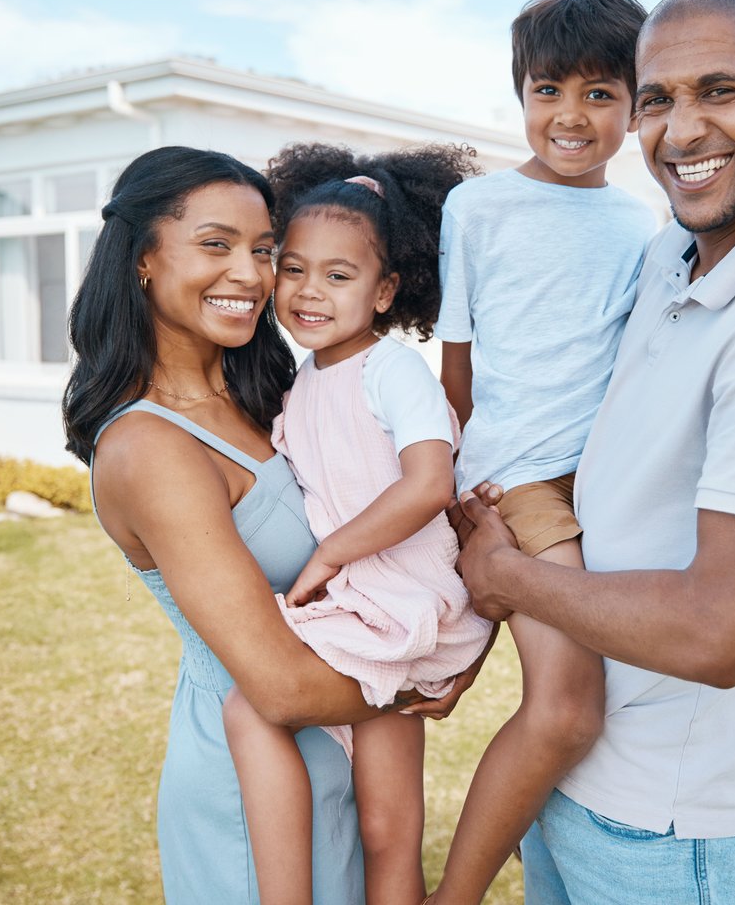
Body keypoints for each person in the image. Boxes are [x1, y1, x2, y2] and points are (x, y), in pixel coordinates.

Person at [453, 0, 735, 904]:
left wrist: (506, 579)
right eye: (657, 97)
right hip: (570, 784)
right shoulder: (668, 249)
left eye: (719, 90)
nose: (680, 128)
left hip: (664, 822)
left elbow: (719, 630)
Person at [63, 146, 477, 905]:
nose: (251, 276)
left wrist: (456, 639)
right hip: (251, 794)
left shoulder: (278, 393)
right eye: (216, 245)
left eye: (263, 251)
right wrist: (427, 670)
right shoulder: (151, 447)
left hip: (340, 753)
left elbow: (423, 507)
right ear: (143, 259)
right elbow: (280, 691)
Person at [426, 0, 656, 904]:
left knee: (602, 696)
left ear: (636, 108)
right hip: (519, 480)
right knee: (567, 712)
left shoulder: (643, 226)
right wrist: (455, 494)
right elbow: (457, 367)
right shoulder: (477, 210)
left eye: (601, 94)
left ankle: (527, 825)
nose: (571, 116)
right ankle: (454, 895)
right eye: (548, 91)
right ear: (520, 95)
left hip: (604, 482)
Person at [220, 143, 494, 905]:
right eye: (295, 268)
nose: (310, 291)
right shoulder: (302, 383)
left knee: (252, 707)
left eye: (339, 276)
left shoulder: (392, 369)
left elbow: (430, 481)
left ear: (384, 292)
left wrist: (332, 554)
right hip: (370, 608)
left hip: (405, 600)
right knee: (386, 823)